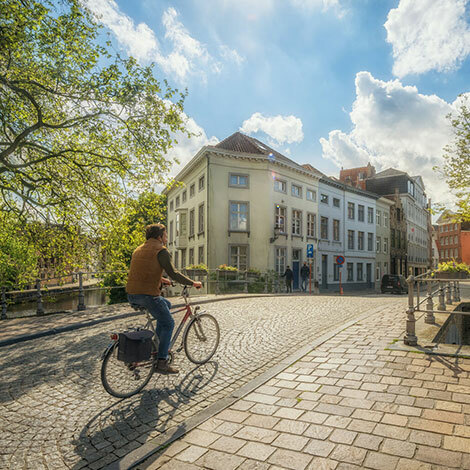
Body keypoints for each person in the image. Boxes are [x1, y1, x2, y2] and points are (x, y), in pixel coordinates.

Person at [126, 223, 202, 375]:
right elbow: (173, 273)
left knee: (166, 304)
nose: (167, 238)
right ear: (160, 237)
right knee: (168, 323)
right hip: (148, 296)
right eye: (166, 235)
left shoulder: (139, 249)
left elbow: (144, 270)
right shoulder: (161, 251)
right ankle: (162, 362)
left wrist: (161, 279)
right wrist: (192, 283)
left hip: (132, 294)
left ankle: (155, 345)